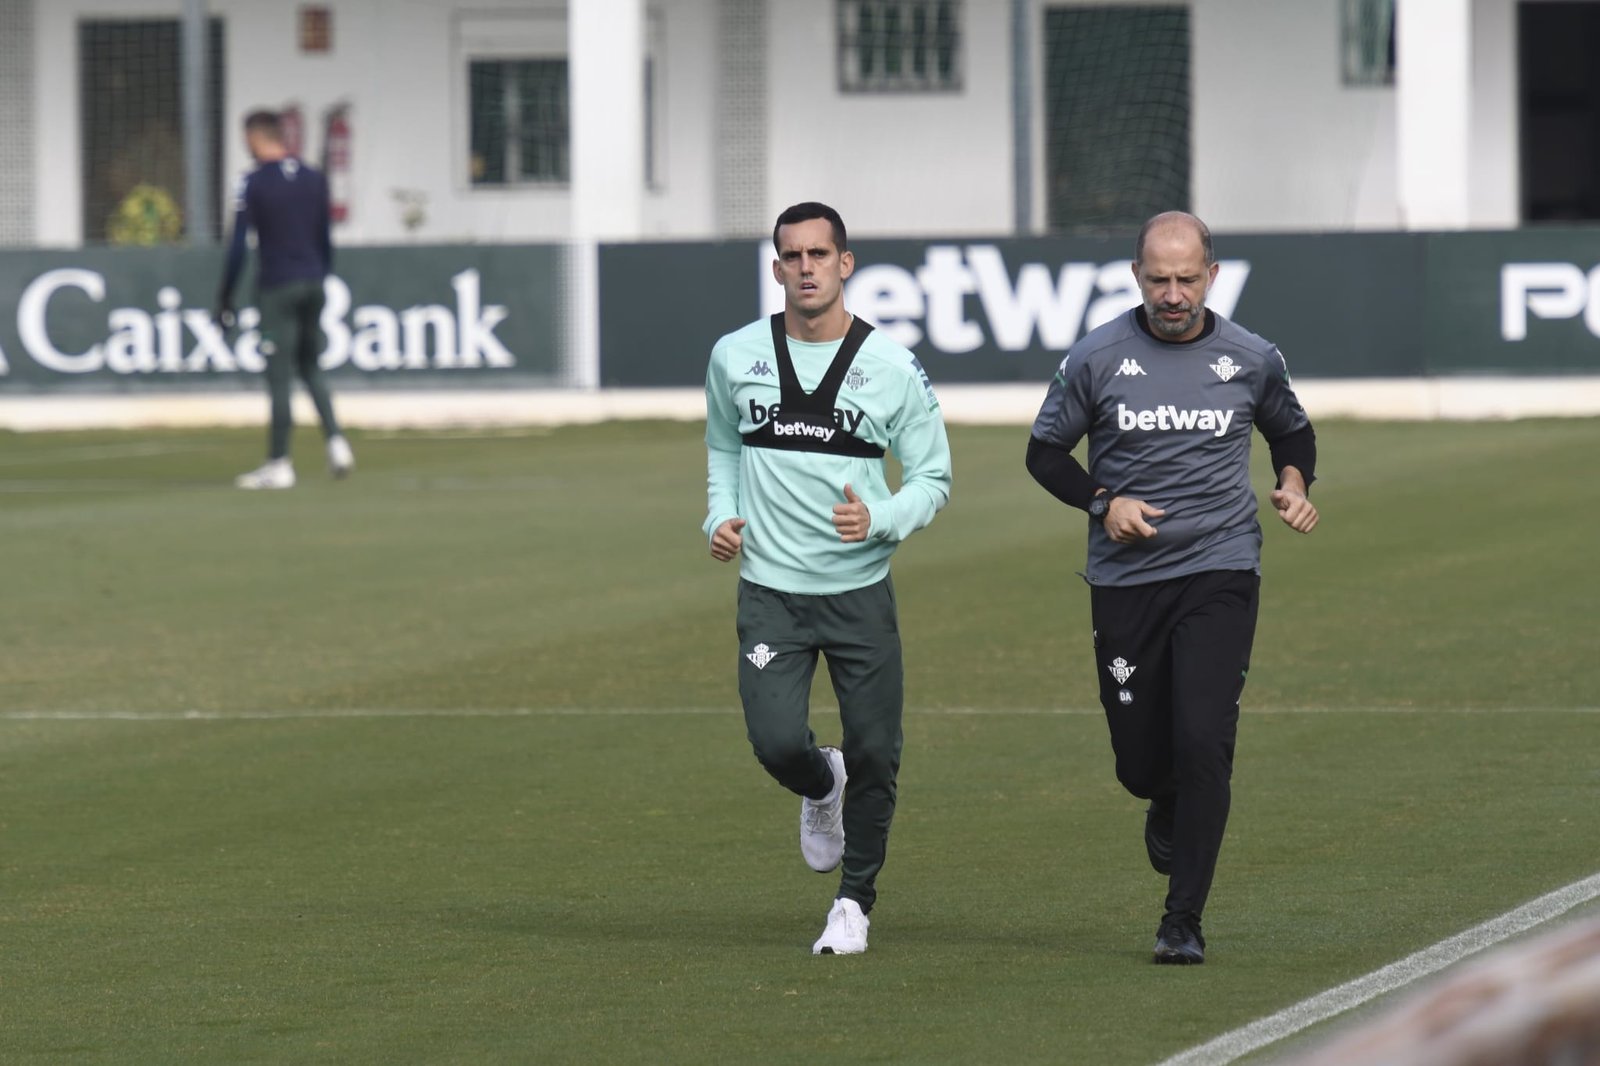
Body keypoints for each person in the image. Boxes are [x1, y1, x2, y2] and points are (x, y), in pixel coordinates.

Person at [1025, 211, 1319, 965]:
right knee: (1140, 764)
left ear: (1212, 276)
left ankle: (1181, 920)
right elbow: (1045, 452)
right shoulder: (1097, 357)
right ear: (1137, 277)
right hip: (1126, 579)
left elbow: (1291, 430)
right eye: (1159, 278)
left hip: (1221, 567)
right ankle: (1162, 798)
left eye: (1188, 278)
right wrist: (1103, 502)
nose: (1174, 293)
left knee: (1204, 741)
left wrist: (1291, 482)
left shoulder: (1251, 357)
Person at [703, 202, 952, 955]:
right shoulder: (732, 355)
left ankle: (854, 904)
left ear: (846, 264)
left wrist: (879, 520)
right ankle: (820, 785)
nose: (806, 267)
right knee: (778, 742)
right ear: (776, 268)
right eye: (792, 256)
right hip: (771, 595)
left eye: (820, 254)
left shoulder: (892, 367)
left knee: (877, 750)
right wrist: (720, 514)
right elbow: (722, 445)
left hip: (857, 596)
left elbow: (933, 479)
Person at [216, 109, 353, 490]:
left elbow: (239, 245)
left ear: (255, 138)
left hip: (277, 285)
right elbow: (325, 236)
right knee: (311, 365)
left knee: (279, 375)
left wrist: (225, 297)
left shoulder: (251, 183)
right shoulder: (313, 178)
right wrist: (322, 276)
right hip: (314, 282)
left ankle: (279, 462)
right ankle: (337, 443)